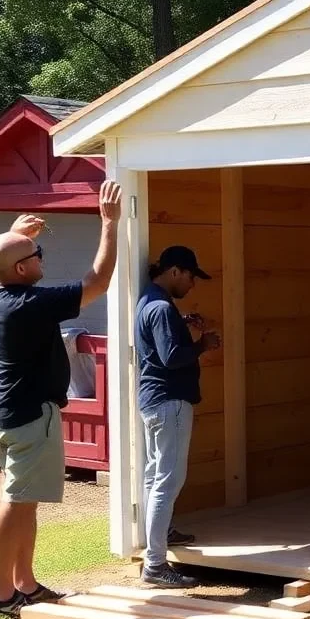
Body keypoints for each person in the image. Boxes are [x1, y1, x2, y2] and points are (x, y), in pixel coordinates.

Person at [0, 181, 122, 618]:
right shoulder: (29, 304)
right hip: (28, 418)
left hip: (6, 412)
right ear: (21, 270)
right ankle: (2, 596)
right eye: (36, 256)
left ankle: (26, 584)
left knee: (25, 499)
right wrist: (109, 223)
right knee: (14, 498)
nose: (43, 259)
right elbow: (98, 281)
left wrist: (16, 232)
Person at [135, 245, 221, 588]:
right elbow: (172, 358)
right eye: (189, 277)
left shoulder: (148, 301)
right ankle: (155, 565)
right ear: (173, 272)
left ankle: (161, 533)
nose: (191, 285)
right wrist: (203, 344)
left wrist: (182, 325)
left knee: (154, 474)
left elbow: (160, 344)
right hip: (169, 401)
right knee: (168, 480)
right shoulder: (160, 308)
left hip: (153, 401)